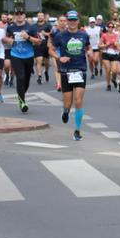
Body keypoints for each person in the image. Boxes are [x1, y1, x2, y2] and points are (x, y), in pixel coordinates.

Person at [50, 10, 91, 141]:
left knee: (78, 101)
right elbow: (51, 49)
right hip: (66, 71)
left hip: (80, 70)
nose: (72, 22)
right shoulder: (60, 36)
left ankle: (77, 131)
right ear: (67, 21)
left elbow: (88, 47)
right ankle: (66, 111)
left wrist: (89, 52)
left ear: (78, 21)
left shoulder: (84, 35)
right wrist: (59, 57)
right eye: (70, 20)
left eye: (74, 20)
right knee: (68, 103)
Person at [2, 8, 40, 112]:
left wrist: (28, 37)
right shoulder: (11, 27)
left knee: (26, 81)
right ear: (14, 16)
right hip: (15, 55)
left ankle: (21, 96)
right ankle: (22, 102)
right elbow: (4, 39)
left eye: (21, 13)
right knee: (21, 77)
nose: (19, 15)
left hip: (29, 56)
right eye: (17, 14)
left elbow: (38, 41)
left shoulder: (31, 27)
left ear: (24, 15)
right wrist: (10, 40)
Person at [100, 22, 120, 91]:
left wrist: (116, 44)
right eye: (109, 27)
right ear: (107, 27)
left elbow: (118, 45)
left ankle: (113, 79)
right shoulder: (104, 35)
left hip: (114, 54)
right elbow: (99, 45)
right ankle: (108, 85)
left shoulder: (116, 35)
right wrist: (106, 45)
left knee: (114, 71)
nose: (110, 28)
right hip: (106, 53)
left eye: (112, 27)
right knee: (108, 70)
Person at [49, 14, 67, 92]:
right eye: (61, 21)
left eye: (64, 21)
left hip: (66, 52)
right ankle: (59, 84)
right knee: (57, 68)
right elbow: (50, 40)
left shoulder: (69, 30)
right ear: (58, 22)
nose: (63, 22)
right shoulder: (54, 30)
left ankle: (65, 82)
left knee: (65, 69)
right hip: (56, 52)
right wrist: (49, 45)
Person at [34, 12, 52, 84]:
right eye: (39, 16)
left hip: (46, 46)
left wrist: (45, 34)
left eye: (41, 16)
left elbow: (52, 34)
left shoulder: (48, 25)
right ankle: (39, 76)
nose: (40, 17)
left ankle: (46, 71)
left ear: (43, 17)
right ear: (37, 17)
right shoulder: (34, 26)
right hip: (37, 46)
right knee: (39, 61)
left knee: (46, 62)